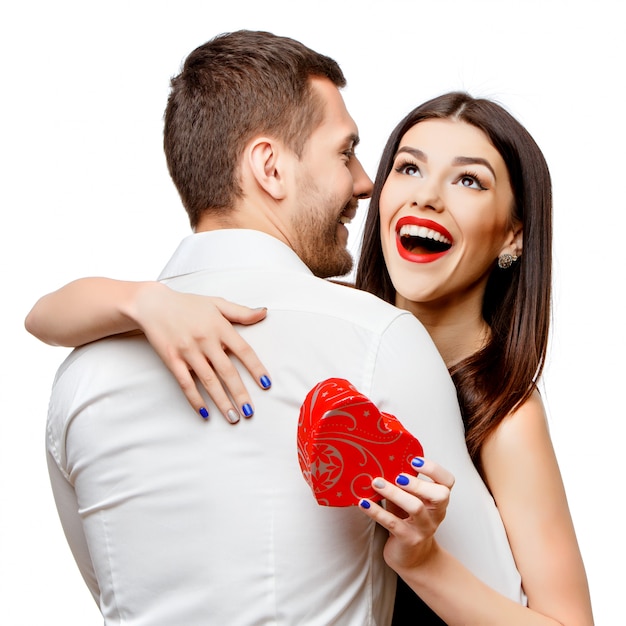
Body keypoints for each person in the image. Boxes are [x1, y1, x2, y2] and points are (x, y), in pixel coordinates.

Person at [26, 31, 527, 625]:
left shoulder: (80, 376)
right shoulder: (377, 338)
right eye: (345, 153)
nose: (366, 182)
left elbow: (110, 591)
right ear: (270, 167)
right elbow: (496, 594)